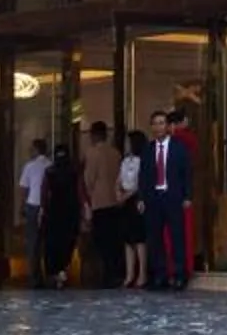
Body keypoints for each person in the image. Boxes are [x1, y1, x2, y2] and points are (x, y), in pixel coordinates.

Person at [144, 110, 192, 291]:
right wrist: (142, 197)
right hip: (154, 198)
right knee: (155, 238)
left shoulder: (179, 148)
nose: (158, 127)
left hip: (173, 197)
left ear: (167, 126)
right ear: (152, 127)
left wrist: (187, 196)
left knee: (176, 236)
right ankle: (160, 275)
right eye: (155, 123)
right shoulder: (148, 150)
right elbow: (144, 176)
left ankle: (179, 275)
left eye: (162, 123)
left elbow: (186, 173)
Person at [80, 122, 124, 289]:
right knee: (114, 240)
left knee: (102, 241)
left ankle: (105, 275)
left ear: (94, 135)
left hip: (99, 202)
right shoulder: (116, 153)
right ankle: (115, 273)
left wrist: (88, 198)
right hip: (116, 201)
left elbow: (89, 179)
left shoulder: (92, 153)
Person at [39, 144, 81, 288]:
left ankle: (55, 272)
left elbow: (44, 193)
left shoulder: (50, 172)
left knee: (52, 244)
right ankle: (62, 269)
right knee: (67, 243)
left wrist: (42, 209)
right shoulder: (74, 171)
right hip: (70, 212)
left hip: (53, 212)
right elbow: (79, 191)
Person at [118, 130, 149, 289]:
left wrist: (128, 195)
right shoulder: (125, 161)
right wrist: (118, 193)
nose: (126, 145)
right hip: (124, 201)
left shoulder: (142, 160)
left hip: (136, 200)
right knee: (127, 239)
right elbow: (119, 179)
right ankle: (129, 274)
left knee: (139, 239)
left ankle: (142, 273)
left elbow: (141, 182)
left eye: (128, 142)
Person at [18, 138, 50, 287]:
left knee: (33, 243)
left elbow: (24, 189)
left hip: (33, 206)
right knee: (46, 242)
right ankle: (49, 275)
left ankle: (34, 278)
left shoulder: (30, 167)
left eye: (31, 149)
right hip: (48, 208)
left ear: (37, 150)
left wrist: (21, 207)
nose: (29, 152)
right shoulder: (50, 165)